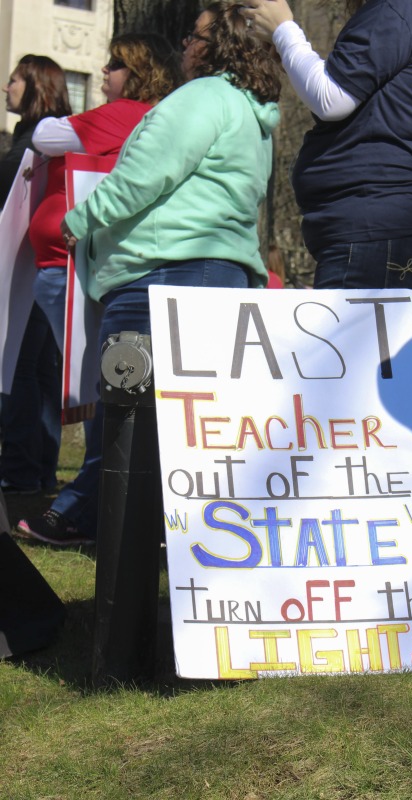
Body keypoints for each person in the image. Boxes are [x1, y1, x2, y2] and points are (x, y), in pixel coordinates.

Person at [16, 1, 281, 546]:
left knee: (127, 416)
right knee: (187, 423)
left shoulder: (202, 98)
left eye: (194, 36)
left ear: (215, 47)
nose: (184, 44)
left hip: (161, 278)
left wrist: (78, 221)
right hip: (215, 274)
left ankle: (87, 520)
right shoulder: (253, 112)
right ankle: (169, 534)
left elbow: (141, 177)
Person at [242, 0, 412, 305]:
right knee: (378, 354)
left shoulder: (400, 7)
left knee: (347, 355)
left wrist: (284, 29)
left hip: (376, 230)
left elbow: (331, 97)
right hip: (394, 229)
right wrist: (288, 53)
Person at [28, 33, 181, 354]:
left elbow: (44, 135)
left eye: (115, 64)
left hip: (72, 268)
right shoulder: (153, 117)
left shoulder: (124, 112)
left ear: (138, 73)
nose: (103, 70)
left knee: (82, 383)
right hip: (79, 264)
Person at [0, 55, 71, 494]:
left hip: (29, 269)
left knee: (22, 370)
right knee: (40, 370)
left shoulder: (40, 142)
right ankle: (38, 470)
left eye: (14, 80)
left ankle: (22, 473)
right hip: (43, 265)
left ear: (36, 86)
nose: (7, 86)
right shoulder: (42, 141)